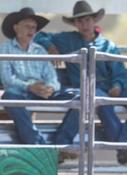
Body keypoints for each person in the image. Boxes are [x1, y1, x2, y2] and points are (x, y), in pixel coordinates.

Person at [34, 1, 127, 165]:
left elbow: (120, 72)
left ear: (94, 21)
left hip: (111, 87)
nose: (84, 24)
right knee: (100, 101)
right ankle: (125, 149)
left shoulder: (108, 45)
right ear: (75, 24)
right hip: (88, 87)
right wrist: (51, 46)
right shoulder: (67, 39)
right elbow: (38, 35)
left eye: (87, 20)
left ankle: (126, 145)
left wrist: (118, 85)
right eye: (79, 21)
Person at [0, 7, 80, 163]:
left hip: (42, 91)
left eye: (34, 28)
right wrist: (30, 86)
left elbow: (52, 77)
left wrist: (50, 88)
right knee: (10, 97)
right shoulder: (5, 49)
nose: (31, 30)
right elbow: (7, 79)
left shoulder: (40, 50)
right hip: (21, 92)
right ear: (16, 27)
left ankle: (61, 144)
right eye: (27, 26)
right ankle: (39, 146)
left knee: (80, 96)